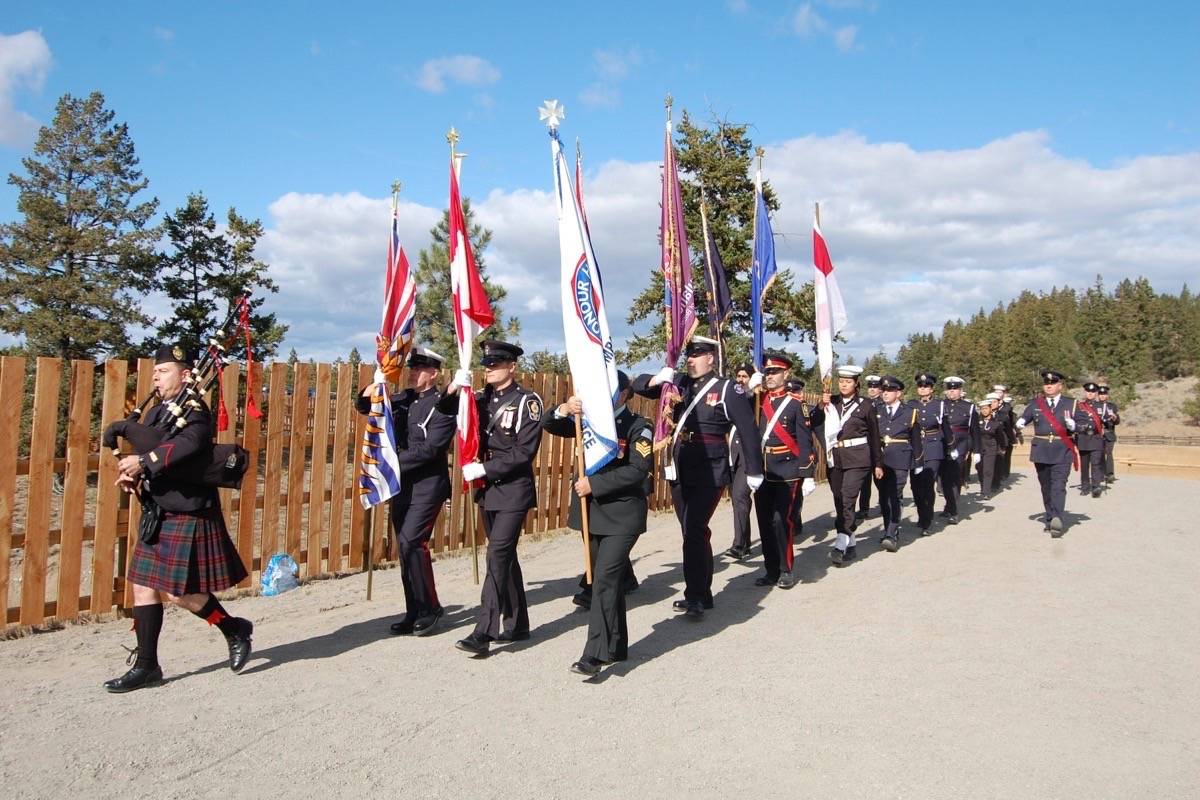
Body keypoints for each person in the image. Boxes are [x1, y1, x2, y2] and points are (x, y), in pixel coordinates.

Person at [104, 345, 252, 693]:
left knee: (179, 594)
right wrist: (134, 473)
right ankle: (147, 666)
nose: (156, 376)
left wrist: (137, 449)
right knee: (143, 586)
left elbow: (186, 445)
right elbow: (151, 451)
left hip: (187, 509)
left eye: (164, 371)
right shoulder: (158, 413)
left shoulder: (195, 410)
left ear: (185, 375)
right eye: (155, 372)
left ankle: (233, 628)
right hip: (159, 509)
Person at [632, 336, 763, 618]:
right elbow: (636, 385)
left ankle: (695, 597)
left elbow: (749, 430)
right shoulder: (677, 383)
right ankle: (702, 593)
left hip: (710, 468)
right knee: (692, 532)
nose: (690, 360)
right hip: (679, 465)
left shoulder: (728, 389)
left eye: (697, 355)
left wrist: (755, 470)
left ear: (711, 358)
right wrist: (657, 379)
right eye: (688, 355)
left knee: (694, 529)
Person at [541, 372, 654, 678]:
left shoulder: (638, 426)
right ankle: (616, 644)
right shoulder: (586, 421)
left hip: (622, 515)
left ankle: (595, 653)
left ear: (626, 394)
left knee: (603, 580)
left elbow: (637, 470)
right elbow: (549, 423)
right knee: (609, 582)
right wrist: (565, 408)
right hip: (590, 514)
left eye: (612, 390)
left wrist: (595, 484)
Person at [445, 340, 544, 657]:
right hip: (488, 490)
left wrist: (484, 467)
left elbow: (523, 452)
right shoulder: (477, 399)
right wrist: (453, 389)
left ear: (511, 367)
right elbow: (447, 414)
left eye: (496, 363)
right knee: (506, 557)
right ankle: (517, 624)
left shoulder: (528, 402)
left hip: (514, 489)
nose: (489, 368)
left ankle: (483, 631)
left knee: (496, 555)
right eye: (486, 364)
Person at [354, 347, 455, 637]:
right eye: (412, 368)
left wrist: (390, 464)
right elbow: (363, 406)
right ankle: (413, 611)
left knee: (413, 542)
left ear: (433, 373)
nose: (412, 373)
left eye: (419, 369)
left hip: (428, 485)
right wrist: (377, 381)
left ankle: (431, 607)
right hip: (401, 487)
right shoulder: (399, 400)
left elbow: (431, 449)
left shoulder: (441, 405)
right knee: (405, 546)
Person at [752, 353, 821, 588]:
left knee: (781, 522)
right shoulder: (758, 400)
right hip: (763, 469)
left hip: (788, 469)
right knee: (764, 522)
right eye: (767, 373)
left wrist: (808, 474)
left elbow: (805, 441)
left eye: (774, 372)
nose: (770, 376)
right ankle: (770, 569)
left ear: (786, 374)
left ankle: (785, 569)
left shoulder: (795, 404)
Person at [822, 365, 882, 566]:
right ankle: (852, 541)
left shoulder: (865, 405)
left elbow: (874, 436)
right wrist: (821, 406)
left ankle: (840, 542)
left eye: (848, 381)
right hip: (836, 457)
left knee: (848, 497)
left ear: (856, 383)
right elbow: (813, 421)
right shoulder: (832, 402)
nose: (844, 384)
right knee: (839, 499)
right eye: (841, 381)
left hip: (858, 458)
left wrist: (878, 464)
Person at [1016, 370, 1078, 536]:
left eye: (1052, 383)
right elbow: (1025, 418)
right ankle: (1050, 517)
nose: (1049, 386)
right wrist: (1020, 422)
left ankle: (1057, 518)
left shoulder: (1071, 403)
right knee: (1046, 487)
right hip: (1041, 450)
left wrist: (1074, 426)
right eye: (1046, 383)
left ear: (1060, 386)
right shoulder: (1036, 403)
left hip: (1062, 449)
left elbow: (1084, 426)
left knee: (1058, 485)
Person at [874, 376, 922, 552]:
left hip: (900, 459)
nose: (885, 394)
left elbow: (916, 439)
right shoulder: (877, 410)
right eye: (884, 391)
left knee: (895, 495)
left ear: (898, 393)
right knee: (883, 498)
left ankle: (891, 533)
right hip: (880, 460)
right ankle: (889, 529)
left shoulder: (909, 412)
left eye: (889, 391)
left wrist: (919, 461)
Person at [909, 372, 951, 535]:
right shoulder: (911, 405)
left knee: (927, 483)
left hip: (934, 446)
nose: (923, 389)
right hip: (915, 447)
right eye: (920, 386)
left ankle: (927, 520)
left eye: (926, 386)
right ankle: (921, 515)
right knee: (915, 485)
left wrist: (951, 447)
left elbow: (946, 428)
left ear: (932, 388)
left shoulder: (940, 405)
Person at [724, 364, 756, 560]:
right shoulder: (733, 399)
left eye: (745, 376)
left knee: (739, 497)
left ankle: (739, 544)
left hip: (747, 458)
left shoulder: (754, 398)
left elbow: (750, 400)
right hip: (732, 457)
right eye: (738, 376)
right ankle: (745, 541)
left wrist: (753, 388)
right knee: (740, 501)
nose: (741, 379)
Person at [938, 376, 980, 525]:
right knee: (943, 479)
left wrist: (977, 450)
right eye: (949, 388)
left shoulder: (969, 407)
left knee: (954, 478)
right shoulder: (941, 405)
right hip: (942, 443)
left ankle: (953, 511)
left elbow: (975, 430)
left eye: (955, 389)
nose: (952, 391)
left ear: (961, 390)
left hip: (960, 444)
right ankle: (949, 505)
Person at [856, 375, 884, 521]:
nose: (872, 390)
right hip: (865, 446)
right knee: (864, 480)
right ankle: (864, 509)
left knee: (880, 478)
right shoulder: (863, 403)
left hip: (879, 445)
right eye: (870, 387)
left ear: (880, 389)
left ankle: (885, 503)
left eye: (875, 387)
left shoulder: (883, 404)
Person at [1074, 381, 1106, 498]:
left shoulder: (1101, 406)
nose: (1090, 393)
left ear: (1096, 393)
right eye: (1088, 391)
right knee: (1084, 464)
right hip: (1083, 438)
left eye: (1093, 391)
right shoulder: (1079, 406)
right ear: (1085, 392)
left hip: (1096, 438)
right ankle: (1085, 486)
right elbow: (1076, 420)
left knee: (1096, 463)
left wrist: (1111, 420)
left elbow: (1108, 420)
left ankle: (1096, 486)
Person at [976, 397, 1009, 497]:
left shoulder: (996, 423)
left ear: (990, 409)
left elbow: (1000, 437)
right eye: (982, 409)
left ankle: (986, 492)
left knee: (988, 470)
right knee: (980, 468)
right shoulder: (977, 422)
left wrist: (1002, 448)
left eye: (986, 408)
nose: (984, 411)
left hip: (991, 447)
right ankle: (983, 487)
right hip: (979, 447)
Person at [1097, 385, 1120, 483]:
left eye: (1104, 394)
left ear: (1107, 395)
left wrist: (1115, 418)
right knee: (1100, 453)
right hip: (1099, 433)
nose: (1102, 396)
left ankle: (1110, 474)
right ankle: (1101, 474)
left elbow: (1117, 421)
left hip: (1109, 433)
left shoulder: (1112, 406)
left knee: (1109, 453)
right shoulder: (1095, 405)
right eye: (1100, 394)